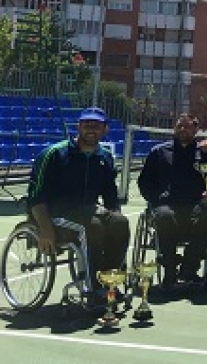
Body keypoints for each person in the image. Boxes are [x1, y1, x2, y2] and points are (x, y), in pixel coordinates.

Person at [27, 107, 130, 298]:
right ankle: (93, 290)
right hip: (55, 215)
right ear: (78, 127)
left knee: (120, 223)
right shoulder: (54, 154)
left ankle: (110, 282)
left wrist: (115, 214)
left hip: (87, 211)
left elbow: (110, 196)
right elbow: (36, 197)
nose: (91, 129)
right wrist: (46, 229)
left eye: (96, 125)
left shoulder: (105, 157)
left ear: (105, 129)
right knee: (93, 227)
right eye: (86, 125)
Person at [137, 113, 207, 286]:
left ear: (196, 129)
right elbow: (144, 181)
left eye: (187, 126)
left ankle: (189, 269)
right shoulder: (159, 152)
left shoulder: (205, 154)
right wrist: (155, 200)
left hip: (195, 205)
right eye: (179, 126)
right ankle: (169, 270)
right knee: (165, 217)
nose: (182, 129)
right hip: (166, 205)